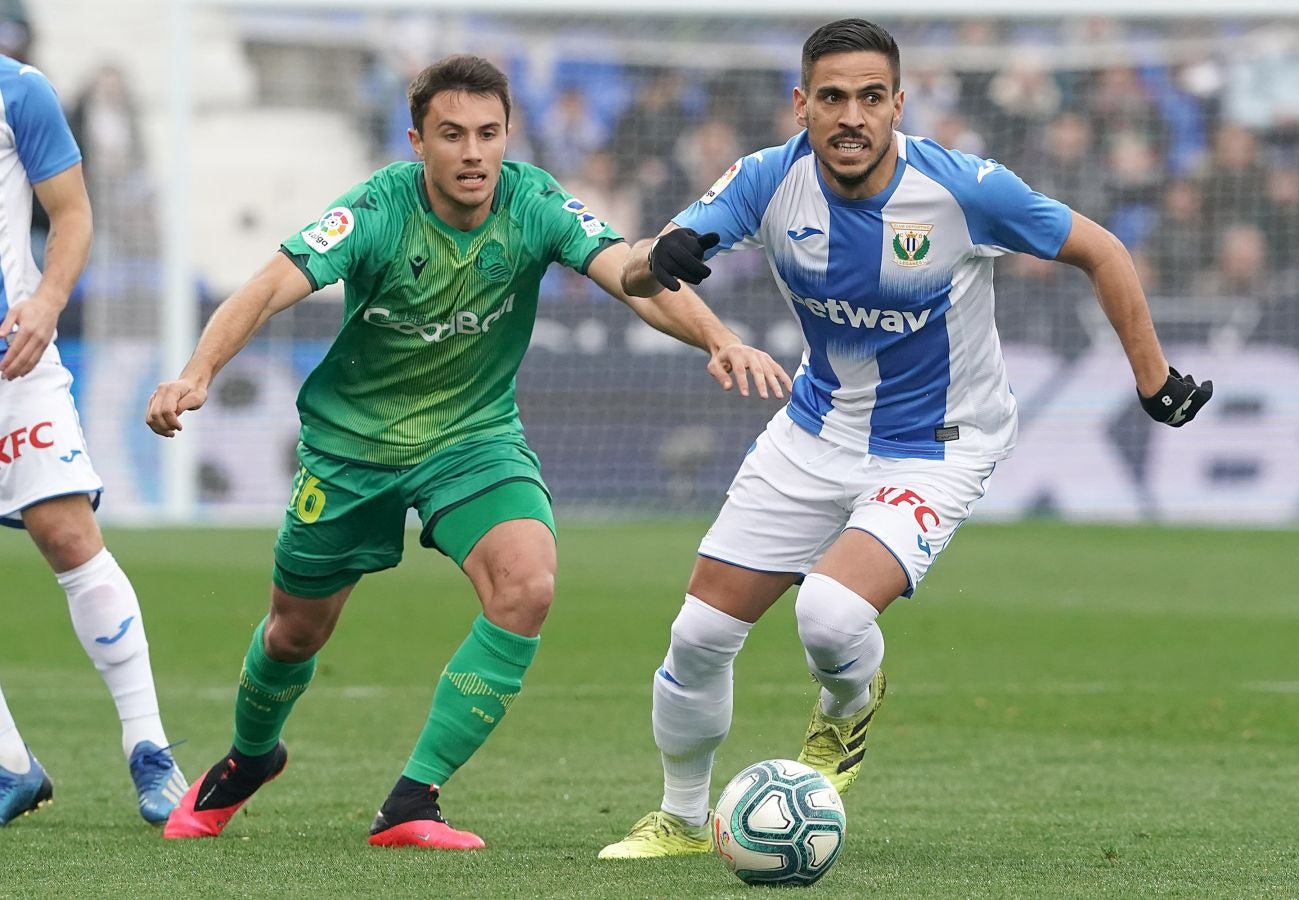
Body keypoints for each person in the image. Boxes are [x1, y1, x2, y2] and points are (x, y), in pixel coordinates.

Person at [597, 18, 1213, 859]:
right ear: (802, 105)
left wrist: (1154, 379)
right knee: (698, 637)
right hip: (815, 428)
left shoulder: (964, 188)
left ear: (898, 104)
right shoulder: (763, 181)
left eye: (871, 98)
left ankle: (845, 712)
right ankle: (677, 817)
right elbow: (635, 268)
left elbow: (1101, 251)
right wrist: (659, 258)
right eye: (833, 98)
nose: (852, 117)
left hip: (940, 442)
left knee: (830, 612)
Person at [145, 54, 788, 851]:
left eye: (489, 134)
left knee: (528, 584)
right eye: (452, 135)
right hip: (353, 449)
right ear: (418, 140)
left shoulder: (534, 200)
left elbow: (627, 272)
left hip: (473, 439)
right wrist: (197, 372)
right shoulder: (377, 207)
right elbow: (271, 284)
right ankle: (248, 760)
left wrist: (716, 334)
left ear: (509, 135)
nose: (474, 152)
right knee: (294, 632)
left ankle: (413, 801)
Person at [0, 56, 186, 826]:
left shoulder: (19, 90)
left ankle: (152, 754)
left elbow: (71, 214)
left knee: (67, 534)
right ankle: (11, 766)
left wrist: (46, 302)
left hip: (13, 356)